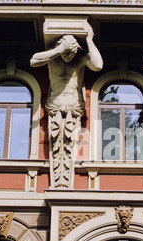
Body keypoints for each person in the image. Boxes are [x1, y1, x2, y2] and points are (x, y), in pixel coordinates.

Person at [30, 25, 103, 188]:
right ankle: (59, 181)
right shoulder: (52, 56)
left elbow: (98, 65)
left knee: (70, 146)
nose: (69, 56)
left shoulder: (81, 57)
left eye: (72, 52)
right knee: (56, 147)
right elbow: (33, 61)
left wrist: (89, 40)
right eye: (66, 52)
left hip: (74, 109)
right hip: (55, 108)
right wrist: (59, 49)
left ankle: (64, 181)